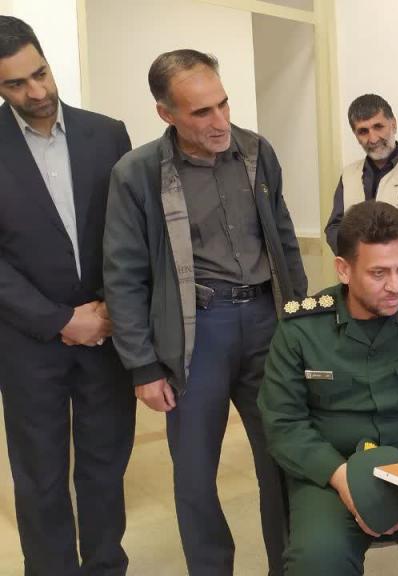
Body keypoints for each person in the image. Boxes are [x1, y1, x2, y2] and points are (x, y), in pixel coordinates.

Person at [103, 49, 307, 575]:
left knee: (284, 459)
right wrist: (143, 366)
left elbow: (283, 240)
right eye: (201, 112)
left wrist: (301, 325)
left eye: (223, 104)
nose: (220, 122)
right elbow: (123, 274)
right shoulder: (137, 174)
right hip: (196, 332)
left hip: (266, 323)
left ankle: (290, 565)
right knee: (195, 475)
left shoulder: (256, 152)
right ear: (165, 113)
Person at [259, 200, 398, 575]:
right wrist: (343, 479)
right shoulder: (301, 329)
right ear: (344, 269)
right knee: (317, 561)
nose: (396, 286)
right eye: (379, 273)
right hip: (332, 472)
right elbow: (283, 422)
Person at [0, 16, 136, 575]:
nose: (36, 92)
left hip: (106, 335)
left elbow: (129, 231)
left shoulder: (108, 134)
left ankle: (106, 567)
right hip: (27, 343)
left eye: (40, 73)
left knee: (105, 468)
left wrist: (107, 307)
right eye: (15, 84)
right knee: (40, 476)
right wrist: (59, 319)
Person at [324, 94, 398, 283]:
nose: (373, 138)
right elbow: (334, 227)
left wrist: (388, 267)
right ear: (355, 136)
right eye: (363, 131)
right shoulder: (348, 175)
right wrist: (358, 265)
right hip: (358, 284)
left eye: (378, 127)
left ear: (393, 124)